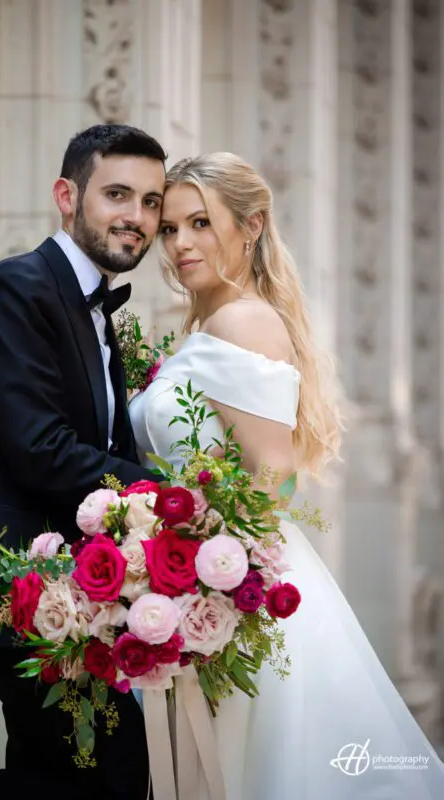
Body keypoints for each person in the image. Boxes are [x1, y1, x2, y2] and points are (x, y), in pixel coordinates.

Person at [128, 152, 444, 799]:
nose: (181, 242)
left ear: (251, 226)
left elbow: (268, 477)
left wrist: (194, 586)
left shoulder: (240, 320)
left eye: (200, 223)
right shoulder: (207, 322)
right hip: (211, 583)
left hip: (229, 594)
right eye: (170, 228)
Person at [0, 123, 166, 798]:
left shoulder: (92, 309)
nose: (136, 217)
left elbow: (101, 447)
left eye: (150, 202)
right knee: (106, 772)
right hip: (12, 585)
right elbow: (40, 448)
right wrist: (169, 494)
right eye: (117, 194)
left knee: (64, 773)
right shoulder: (19, 289)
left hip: (64, 588)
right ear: (67, 195)